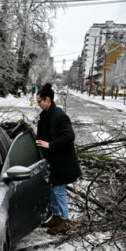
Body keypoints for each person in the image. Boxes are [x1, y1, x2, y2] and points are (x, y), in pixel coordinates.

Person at [35, 83, 81, 235]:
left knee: (58, 191)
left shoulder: (59, 115)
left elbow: (69, 136)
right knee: (53, 189)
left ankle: (65, 220)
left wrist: (50, 144)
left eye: (39, 102)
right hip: (53, 161)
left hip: (62, 162)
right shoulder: (46, 115)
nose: (38, 104)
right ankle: (56, 217)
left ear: (47, 99)